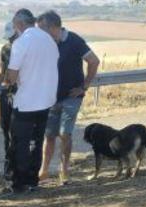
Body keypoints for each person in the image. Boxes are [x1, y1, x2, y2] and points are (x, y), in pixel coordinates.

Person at [37, 12, 99, 185]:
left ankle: (64, 171)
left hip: (72, 96)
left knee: (65, 133)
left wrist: (84, 87)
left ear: (52, 27)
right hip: (51, 97)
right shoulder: (44, 43)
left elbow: (94, 61)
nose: (39, 33)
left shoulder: (74, 40)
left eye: (41, 29)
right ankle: (44, 171)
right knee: (49, 135)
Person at [4, 10, 58, 194]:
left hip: (26, 101)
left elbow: (12, 76)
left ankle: (19, 182)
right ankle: (33, 180)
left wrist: (8, 80)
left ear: (19, 24)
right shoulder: (49, 39)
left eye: (14, 26)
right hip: (46, 100)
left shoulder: (21, 42)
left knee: (20, 143)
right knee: (37, 141)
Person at [0, 24, 20, 182]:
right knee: (6, 133)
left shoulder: (25, 48)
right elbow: (2, 72)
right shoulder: (5, 49)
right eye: (9, 38)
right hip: (6, 94)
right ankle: (8, 169)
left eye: (13, 37)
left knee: (18, 134)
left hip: (21, 96)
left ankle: (18, 169)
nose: (11, 40)